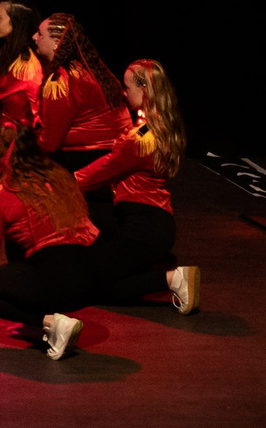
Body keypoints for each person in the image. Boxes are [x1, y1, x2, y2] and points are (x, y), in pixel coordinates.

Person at [0, 120, 104, 359]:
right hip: (97, 275)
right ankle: (43, 327)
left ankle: (52, 323)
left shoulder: (0, 194)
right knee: (24, 251)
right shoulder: (56, 177)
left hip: (63, 278)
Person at [75, 58, 202, 312]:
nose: (123, 92)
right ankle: (169, 280)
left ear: (144, 91)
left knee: (95, 286)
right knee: (105, 282)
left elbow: (105, 168)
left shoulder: (141, 138)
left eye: (127, 87)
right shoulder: (157, 128)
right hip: (149, 222)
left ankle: (172, 279)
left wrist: (64, 184)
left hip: (144, 226)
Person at [35, 12, 130, 181]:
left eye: (40, 34)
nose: (34, 37)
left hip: (89, 162)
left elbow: (49, 144)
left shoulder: (61, 81)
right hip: (119, 159)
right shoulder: (93, 69)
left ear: (57, 43)